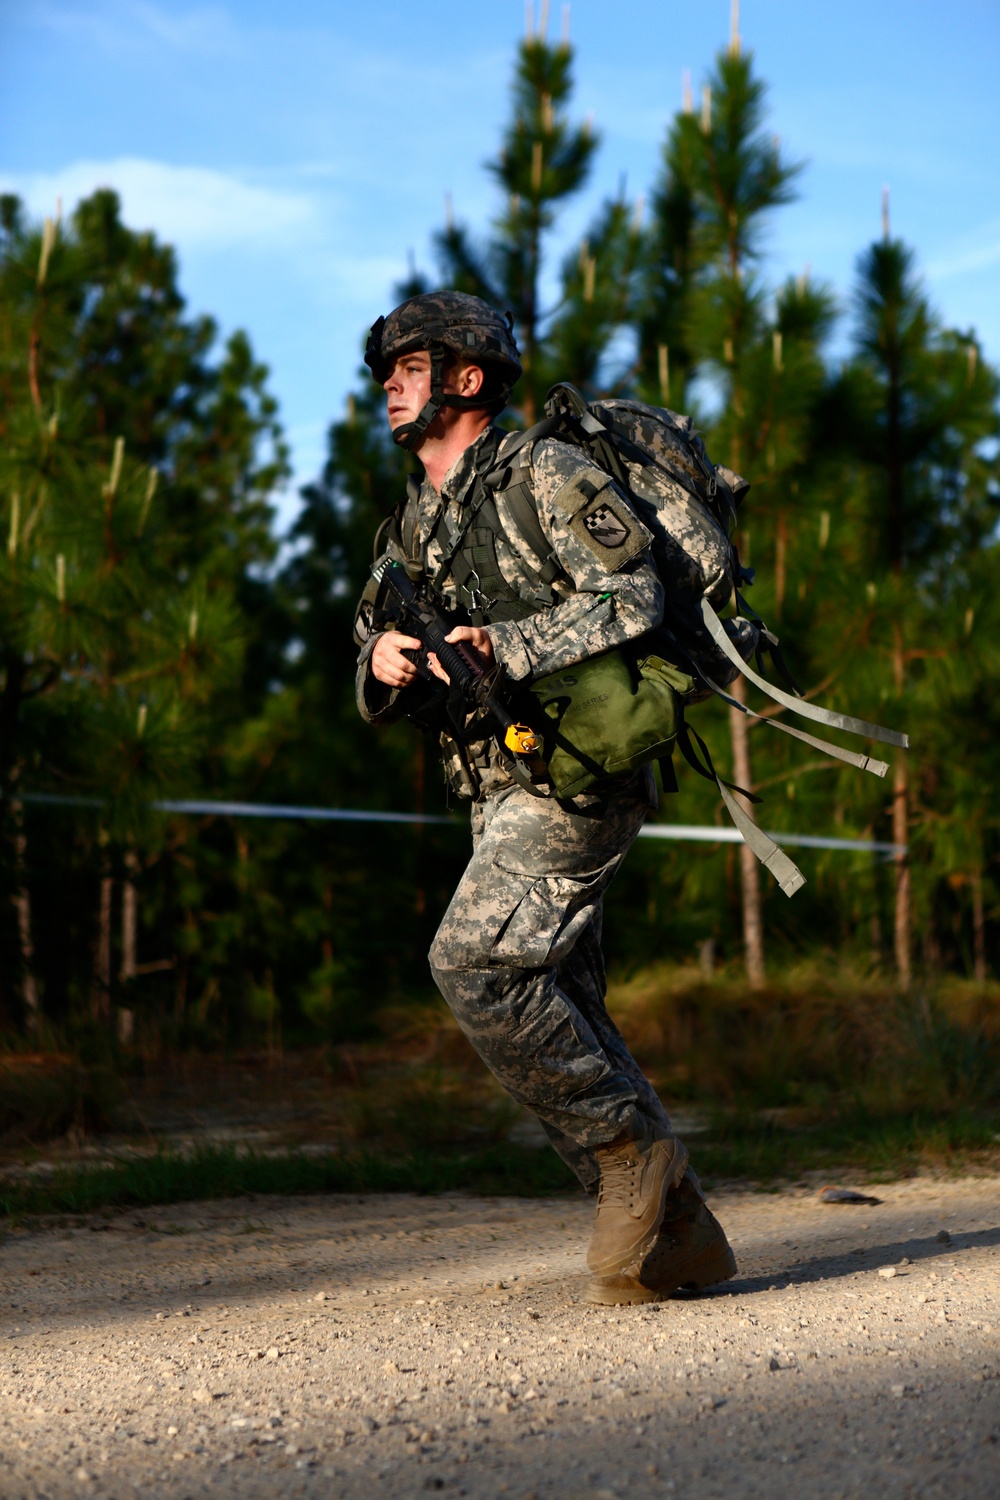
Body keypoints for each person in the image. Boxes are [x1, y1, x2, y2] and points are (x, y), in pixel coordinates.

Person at [354, 290, 735, 1305]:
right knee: (559, 996)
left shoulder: (546, 471)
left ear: (468, 378)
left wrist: (504, 645)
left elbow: (633, 593)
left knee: (474, 962)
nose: (389, 383)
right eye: (385, 371)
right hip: (492, 777)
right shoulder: (413, 521)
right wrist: (382, 655)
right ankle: (681, 1235)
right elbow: (367, 633)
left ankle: (624, 1156)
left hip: (578, 763)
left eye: (410, 364)